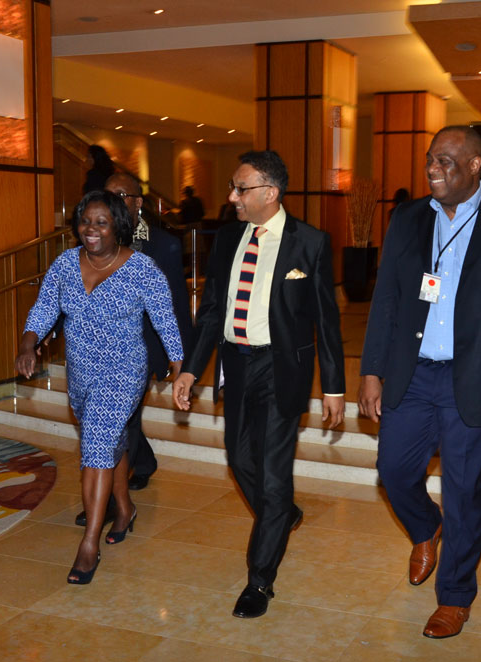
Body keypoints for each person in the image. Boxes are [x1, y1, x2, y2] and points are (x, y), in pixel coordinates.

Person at [358, 125, 481, 640]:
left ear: (476, 165)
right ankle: (425, 526)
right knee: (393, 471)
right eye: (430, 160)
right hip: (413, 372)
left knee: (464, 491)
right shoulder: (408, 217)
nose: (432, 169)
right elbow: (387, 297)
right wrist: (371, 369)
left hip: (475, 378)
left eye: (445, 161)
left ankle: (455, 597)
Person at [172, 150, 345, 619]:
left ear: (270, 192)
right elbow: (211, 310)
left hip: (281, 368)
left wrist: (333, 387)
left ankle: (260, 580)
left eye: (241, 188)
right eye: (233, 187)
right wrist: (190, 369)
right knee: (239, 459)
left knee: (271, 474)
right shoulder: (228, 238)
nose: (232, 197)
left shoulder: (310, 242)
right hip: (236, 365)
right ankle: (281, 511)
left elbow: (326, 320)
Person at [17, 190, 183, 585]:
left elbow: (165, 319)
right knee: (110, 442)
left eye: (101, 222)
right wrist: (27, 344)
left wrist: (180, 366)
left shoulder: (142, 269)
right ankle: (124, 509)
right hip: (81, 371)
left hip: (124, 369)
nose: (91, 229)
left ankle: (89, 545)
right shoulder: (64, 264)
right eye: (85, 221)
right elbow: (44, 308)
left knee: (95, 446)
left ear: (118, 227)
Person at [68, 174, 192, 532]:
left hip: (139, 350)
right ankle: (130, 480)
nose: (114, 200)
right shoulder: (93, 240)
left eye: (122, 195)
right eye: (108, 194)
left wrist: (179, 357)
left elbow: (175, 307)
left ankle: (107, 503)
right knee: (119, 425)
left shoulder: (163, 245)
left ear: (139, 202)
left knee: (117, 424)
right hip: (93, 355)